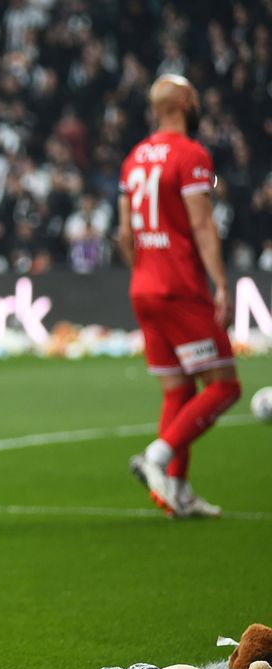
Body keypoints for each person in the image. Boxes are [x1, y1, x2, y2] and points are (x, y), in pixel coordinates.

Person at [118, 74, 242, 519]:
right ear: (186, 102)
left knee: (179, 388)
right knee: (225, 385)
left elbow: (124, 233)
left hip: (144, 287)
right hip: (181, 288)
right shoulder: (193, 156)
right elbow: (203, 225)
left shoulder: (132, 159)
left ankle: (177, 492)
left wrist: (144, 274)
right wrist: (222, 284)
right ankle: (159, 455)